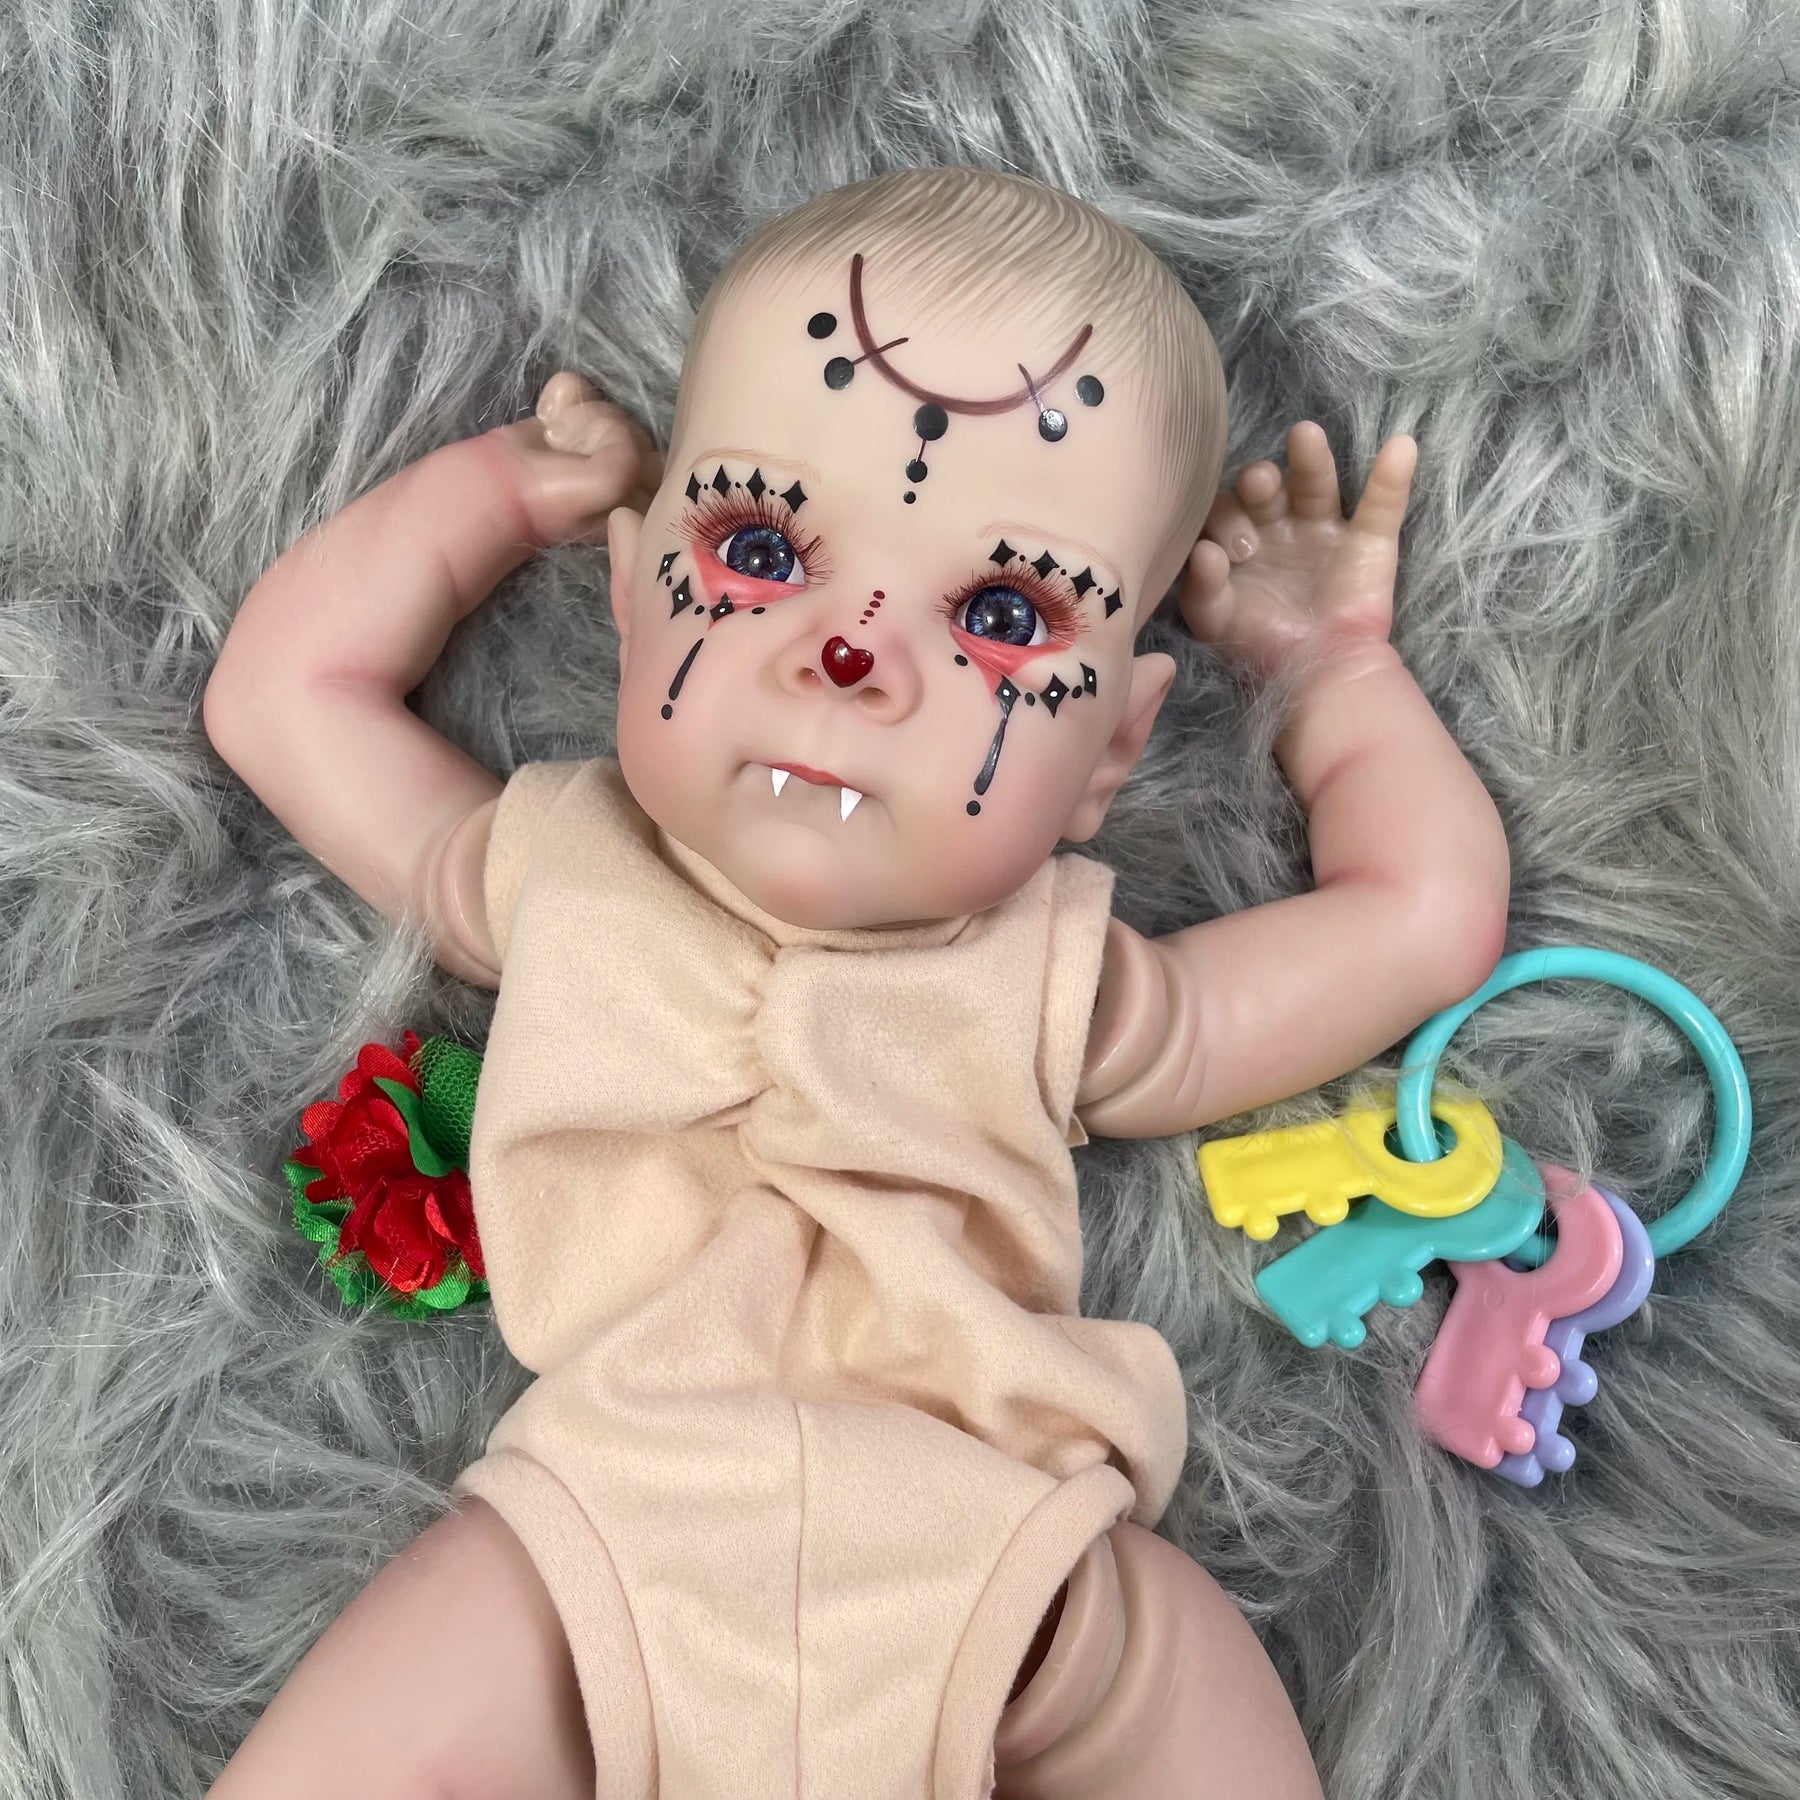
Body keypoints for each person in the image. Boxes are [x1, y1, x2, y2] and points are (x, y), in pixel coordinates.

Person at [201, 165, 1508, 1799]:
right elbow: (284, 695)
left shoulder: (1066, 984)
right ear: (632, 602)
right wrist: (506, 488)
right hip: (595, 1554)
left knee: (1185, 1665)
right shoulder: (550, 869)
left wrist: (1331, 673)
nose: (853, 650)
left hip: (1019, 1586)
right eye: (761, 545)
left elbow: (1417, 918)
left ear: (1111, 752)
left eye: (1003, 611)